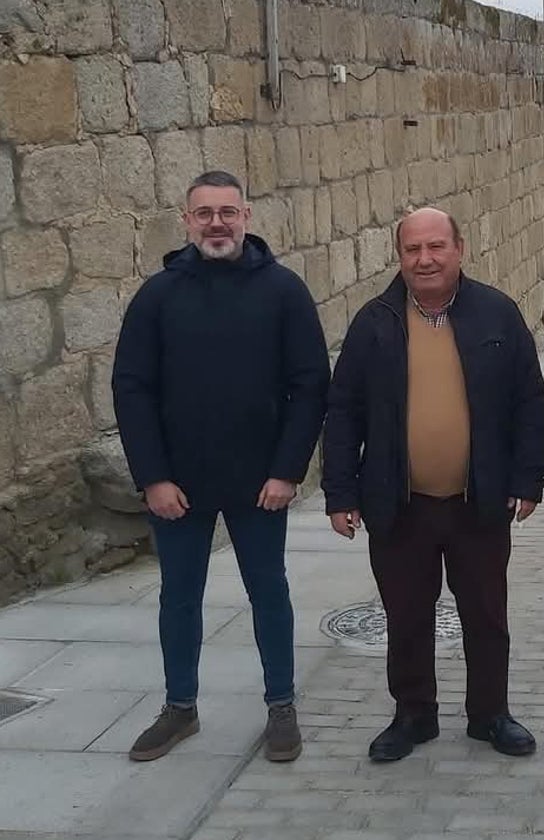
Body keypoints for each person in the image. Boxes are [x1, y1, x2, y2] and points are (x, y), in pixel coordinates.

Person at [112, 170, 330, 763]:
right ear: (186, 221)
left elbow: (309, 385)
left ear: (247, 217)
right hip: (177, 486)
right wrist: (153, 476)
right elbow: (131, 388)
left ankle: (281, 706)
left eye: (227, 212)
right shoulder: (157, 297)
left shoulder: (283, 291)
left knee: (269, 592)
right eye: (204, 213)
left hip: (260, 483)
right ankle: (179, 707)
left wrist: (288, 470)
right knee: (179, 597)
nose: (216, 223)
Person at [322, 207, 544, 762]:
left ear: (459, 248)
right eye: (412, 250)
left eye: (435, 247)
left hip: (480, 501)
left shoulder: (497, 314)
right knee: (406, 617)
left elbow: (530, 401)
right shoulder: (375, 322)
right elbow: (343, 410)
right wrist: (340, 493)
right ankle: (414, 715)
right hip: (400, 505)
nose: (424, 259)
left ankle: (490, 714)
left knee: (486, 616)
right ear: (399, 257)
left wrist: (529, 480)